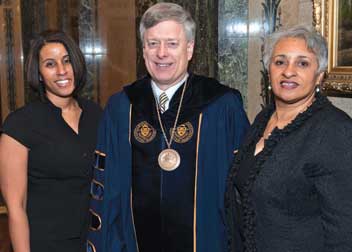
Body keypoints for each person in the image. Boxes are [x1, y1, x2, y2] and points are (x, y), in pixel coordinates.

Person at [87, 2, 249, 252]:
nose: (161, 53)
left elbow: (242, 193)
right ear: (144, 50)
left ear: (190, 48)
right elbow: (106, 193)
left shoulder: (222, 107)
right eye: (153, 43)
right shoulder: (121, 108)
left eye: (172, 44)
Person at [225, 26, 352, 252]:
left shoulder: (335, 130)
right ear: (269, 70)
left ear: (319, 75)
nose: (288, 71)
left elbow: (344, 231)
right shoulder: (263, 118)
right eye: (280, 62)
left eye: (302, 63)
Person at [0, 30, 102, 252]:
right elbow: (16, 207)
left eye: (67, 61)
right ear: (38, 73)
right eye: (50, 64)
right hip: (43, 243)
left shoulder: (96, 114)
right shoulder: (20, 124)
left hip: (92, 241)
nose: (62, 70)